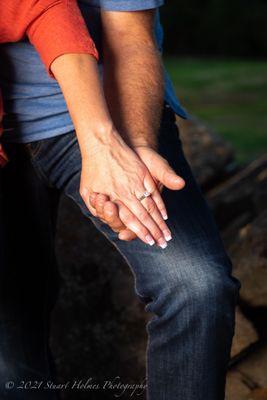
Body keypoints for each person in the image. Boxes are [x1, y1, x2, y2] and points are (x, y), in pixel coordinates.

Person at [0, 1, 241, 400]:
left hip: (108, 113)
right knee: (9, 352)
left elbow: (127, 35)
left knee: (195, 286)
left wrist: (133, 144)